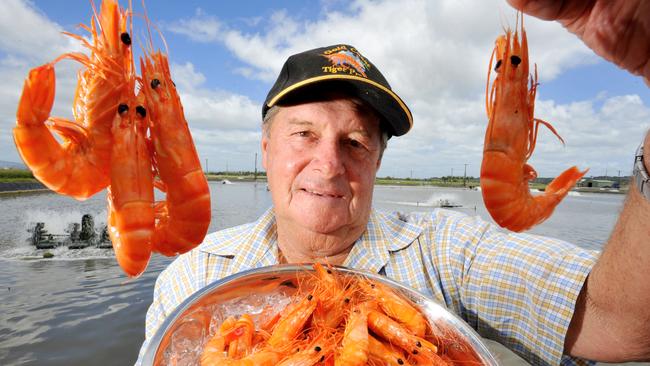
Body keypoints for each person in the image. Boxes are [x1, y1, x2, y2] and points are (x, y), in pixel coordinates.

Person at [136, 0, 650, 364]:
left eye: (355, 142)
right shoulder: (192, 278)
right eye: (303, 134)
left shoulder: (448, 251)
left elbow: (619, 322)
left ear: (378, 160)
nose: (329, 163)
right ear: (266, 148)